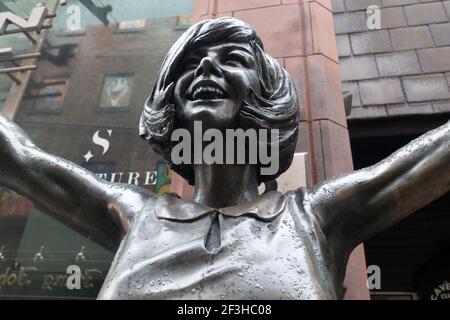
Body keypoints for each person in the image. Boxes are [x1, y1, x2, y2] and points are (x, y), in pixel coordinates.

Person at [0, 17, 448, 299]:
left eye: (231, 59)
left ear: (265, 94)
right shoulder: (134, 214)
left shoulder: (315, 216)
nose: (206, 70)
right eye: (191, 64)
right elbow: (19, 157)